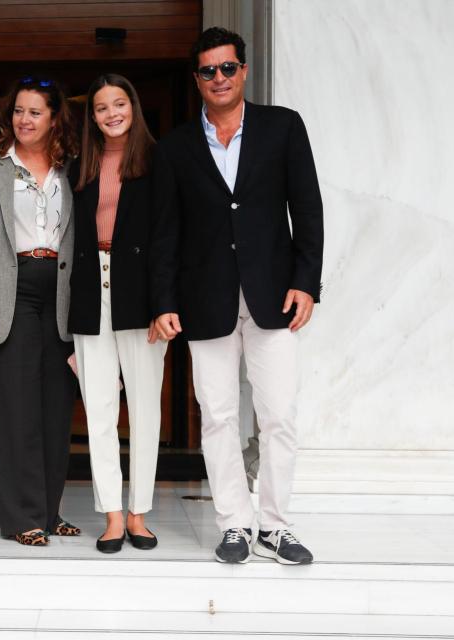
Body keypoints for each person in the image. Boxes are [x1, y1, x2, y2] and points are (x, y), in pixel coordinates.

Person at [154, 27, 323, 564]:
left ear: (244, 71)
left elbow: (309, 208)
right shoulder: (178, 146)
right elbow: (166, 230)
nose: (219, 78)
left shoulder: (282, 127)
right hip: (206, 299)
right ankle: (235, 524)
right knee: (219, 415)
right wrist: (164, 299)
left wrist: (306, 281)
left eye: (228, 68)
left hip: (274, 293)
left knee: (278, 415)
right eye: (208, 71)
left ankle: (275, 525)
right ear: (197, 79)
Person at [69, 74, 175, 553]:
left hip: (142, 296)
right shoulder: (81, 165)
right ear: (91, 117)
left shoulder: (158, 160)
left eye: (118, 104)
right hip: (93, 292)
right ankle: (112, 514)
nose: (111, 114)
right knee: (100, 411)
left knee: (146, 410)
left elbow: (169, 236)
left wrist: (164, 304)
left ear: (133, 106)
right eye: (100, 108)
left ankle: (139, 513)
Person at [0, 77, 80, 546]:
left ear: (54, 118)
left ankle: (50, 508)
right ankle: (23, 518)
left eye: (36, 111)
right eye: (18, 110)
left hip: (59, 294)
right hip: (10, 291)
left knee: (56, 408)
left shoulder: (72, 170)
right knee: (14, 407)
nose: (24, 119)